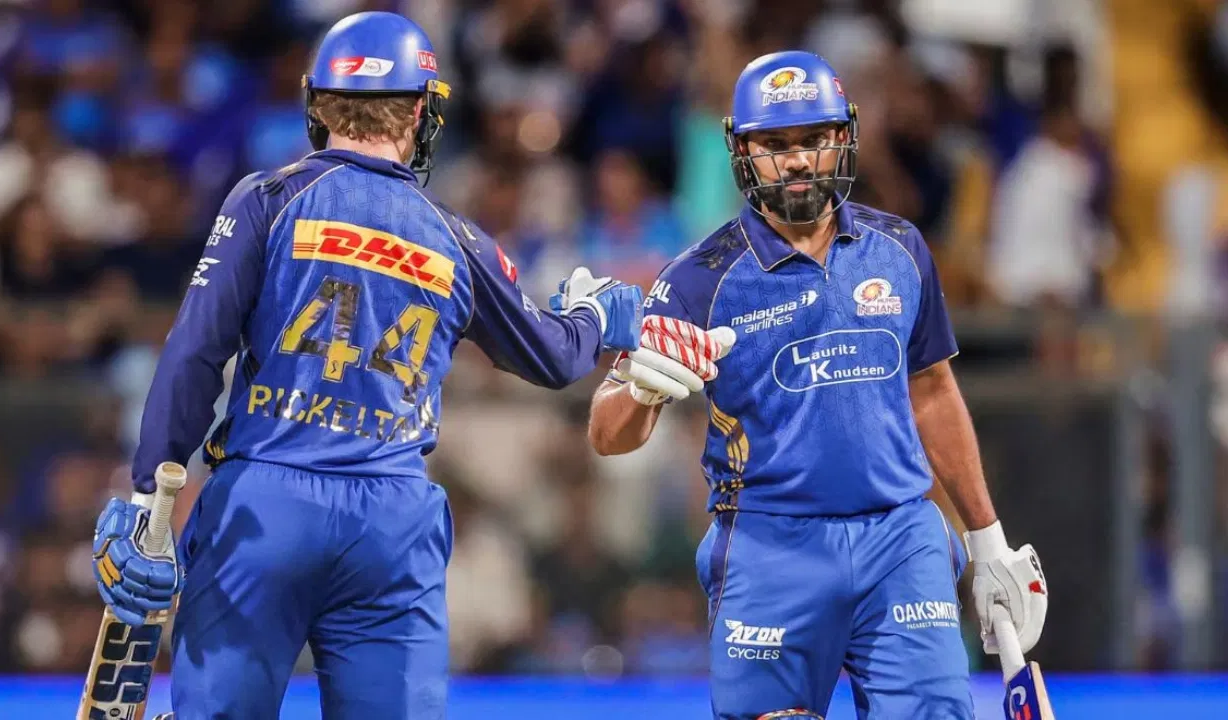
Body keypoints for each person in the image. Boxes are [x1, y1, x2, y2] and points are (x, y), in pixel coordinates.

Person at [88, 12, 643, 720]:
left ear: (319, 105)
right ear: (419, 112)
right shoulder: (455, 238)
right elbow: (556, 356)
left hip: (264, 509)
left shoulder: (268, 200)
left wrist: (147, 495)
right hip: (391, 525)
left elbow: (195, 350)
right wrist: (599, 316)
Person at [586, 51, 1049, 720]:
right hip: (770, 547)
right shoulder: (696, 280)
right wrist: (643, 389)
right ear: (741, 151)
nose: (799, 160)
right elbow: (607, 434)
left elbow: (932, 391)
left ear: (844, 137)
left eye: (814, 139)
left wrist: (987, 539)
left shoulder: (901, 248)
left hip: (900, 541)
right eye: (776, 144)